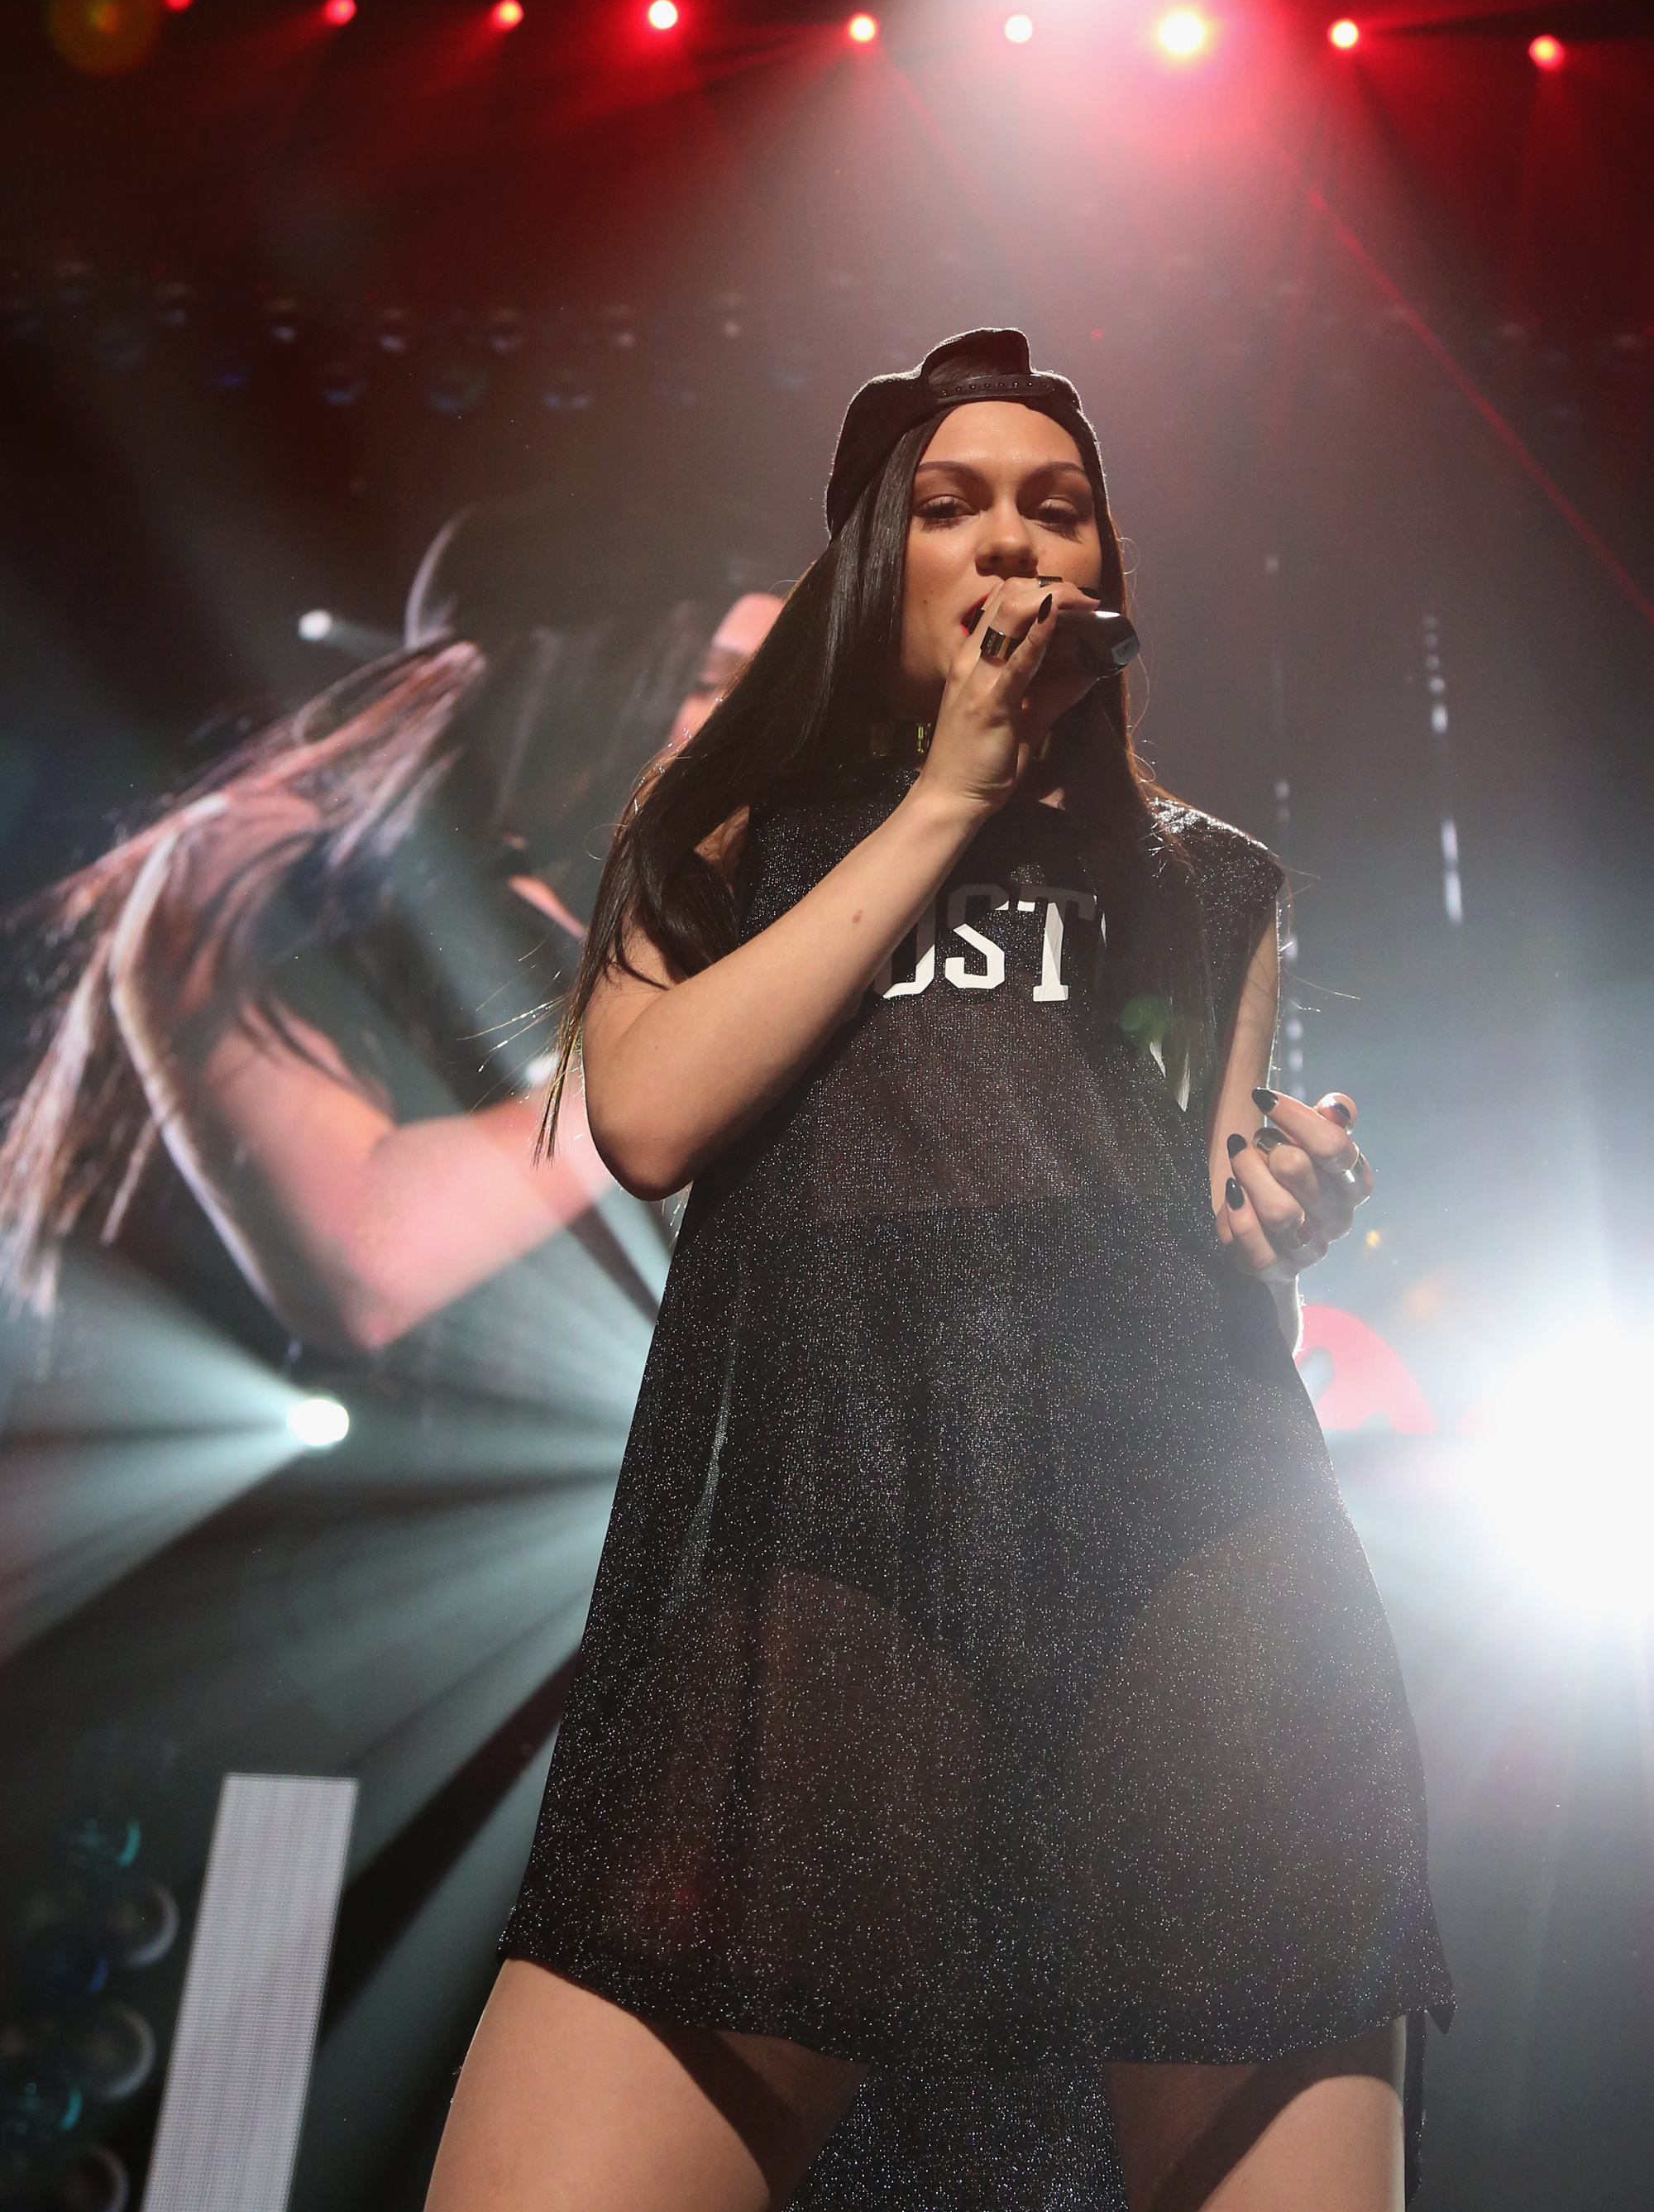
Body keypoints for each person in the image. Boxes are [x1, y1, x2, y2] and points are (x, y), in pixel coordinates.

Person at [425, 331, 1453, 2212]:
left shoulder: (1205, 881)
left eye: (1056, 506)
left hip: (1195, 1578)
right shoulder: (723, 831)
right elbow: (643, 1117)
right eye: (950, 505)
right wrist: (944, 802)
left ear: (1105, 570)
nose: (1009, 540)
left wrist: (1278, 1226)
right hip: (835, 1565)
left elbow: (1218, 1260)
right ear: (864, 565)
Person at [0, 486, 781, 1371]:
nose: (749, 736)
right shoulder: (257, 854)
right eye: (710, 683)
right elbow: (368, 1264)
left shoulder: (640, 908)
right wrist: (687, 1051)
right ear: (557, 675)